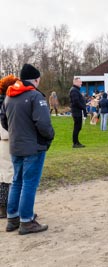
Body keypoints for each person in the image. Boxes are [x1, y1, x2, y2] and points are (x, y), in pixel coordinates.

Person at [0, 64, 54, 235]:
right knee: (29, 183)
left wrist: (17, 133)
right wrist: (49, 137)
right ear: (36, 79)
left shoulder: (8, 96)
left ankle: (13, 217)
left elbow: (4, 121)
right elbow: (44, 124)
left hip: (15, 146)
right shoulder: (35, 96)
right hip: (33, 147)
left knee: (17, 181)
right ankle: (26, 220)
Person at [0, 75, 17, 219]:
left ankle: (4, 207)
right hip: (5, 142)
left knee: (4, 175)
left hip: (4, 142)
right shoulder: (4, 103)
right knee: (9, 176)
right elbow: (4, 130)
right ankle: (9, 208)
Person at [69, 77, 87, 148]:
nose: (81, 83)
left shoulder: (76, 90)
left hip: (78, 111)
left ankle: (77, 142)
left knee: (78, 127)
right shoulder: (74, 90)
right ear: (75, 82)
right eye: (80, 82)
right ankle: (75, 143)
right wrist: (83, 107)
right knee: (77, 127)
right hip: (76, 112)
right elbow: (76, 102)